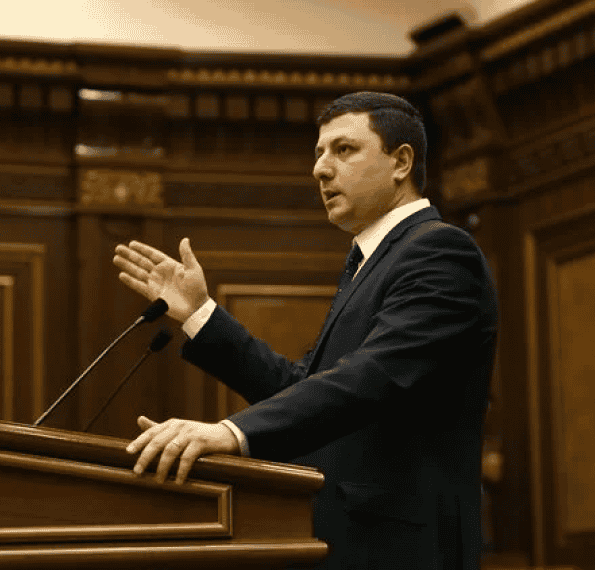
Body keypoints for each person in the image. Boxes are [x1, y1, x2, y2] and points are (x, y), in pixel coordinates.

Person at [113, 91, 498, 569]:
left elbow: (372, 377)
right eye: (318, 153)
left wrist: (232, 432)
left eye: (343, 149)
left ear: (401, 162)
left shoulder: (440, 252)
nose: (320, 169)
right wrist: (199, 314)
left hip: (403, 550)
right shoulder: (373, 261)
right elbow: (307, 388)